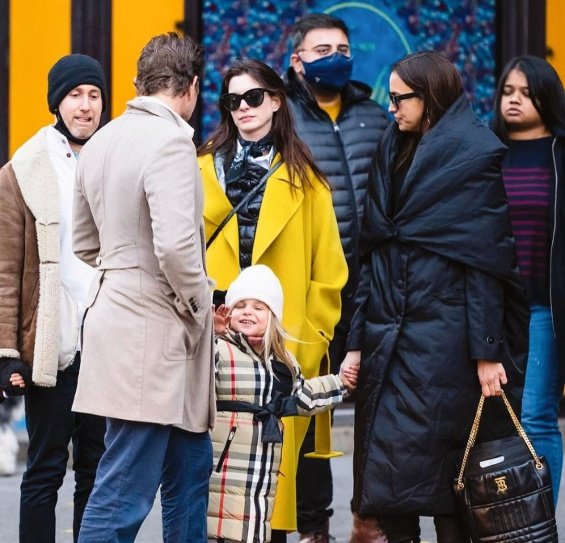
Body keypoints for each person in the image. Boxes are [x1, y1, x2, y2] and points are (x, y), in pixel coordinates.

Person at [342, 51, 529, 543]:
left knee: (454, 484)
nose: (391, 108)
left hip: (447, 344)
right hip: (390, 340)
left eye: (401, 98)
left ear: (431, 96)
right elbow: (372, 251)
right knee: (388, 484)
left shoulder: (473, 155)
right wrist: (357, 341)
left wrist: (487, 353)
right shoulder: (391, 146)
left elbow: (485, 263)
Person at [71, 33, 215, 542]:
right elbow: (177, 249)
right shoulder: (173, 140)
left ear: (140, 83)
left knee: (190, 468)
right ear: (191, 87)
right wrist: (199, 304)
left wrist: (127, 269)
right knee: (123, 491)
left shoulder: (101, 139)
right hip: (154, 334)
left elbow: (85, 243)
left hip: (120, 321)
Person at [198, 59, 348, 542]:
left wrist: (309, 340)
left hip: (280, 343)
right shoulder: (200, 169)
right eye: (233, 100)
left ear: (278, 100)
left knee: (271, 485)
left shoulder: (308, 179)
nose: (243, 108)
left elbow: (329, 274)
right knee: (213, 479)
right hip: (215, 342)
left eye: (254, 97)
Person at [283, 13, 388, 542]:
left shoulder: (376, 117)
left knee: (375, 410)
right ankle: (310, 524)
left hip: (372, 287)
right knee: (308, 406)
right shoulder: (281, 118)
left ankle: (368, 519)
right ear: (297, 60)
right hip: (309, 288)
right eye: (322, 48)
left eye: (343, 47)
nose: (336, 56)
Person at [0, 53, 107, 543]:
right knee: (44, 471)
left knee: (97, 470)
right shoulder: (23, 170)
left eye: (94, 95)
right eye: (74, 95)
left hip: (108, 339)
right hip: (52, 341)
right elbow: (5, 271)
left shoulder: (114, 157)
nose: (85, 106)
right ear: (56, 103)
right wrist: (7, 354)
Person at [208, 264, 359, 543]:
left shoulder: (282, 362)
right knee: (218, 530)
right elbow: (193, 370)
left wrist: (341, 383)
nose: (248, 311)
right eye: (240, 305)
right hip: (223, 469)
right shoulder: (219, 349)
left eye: (258, 307)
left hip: (261, 475)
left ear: (273, 317)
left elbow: (305, 396)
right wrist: (209, 334)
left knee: (255, 528)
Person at [492, 55, 565, 506]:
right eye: (507, 91)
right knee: (492, 418)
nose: (514, 100)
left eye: (525, 92)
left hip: (543, 309)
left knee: (536, 417)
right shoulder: (486, 153)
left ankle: (539, 525)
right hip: (490, 306)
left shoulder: (560, 154)